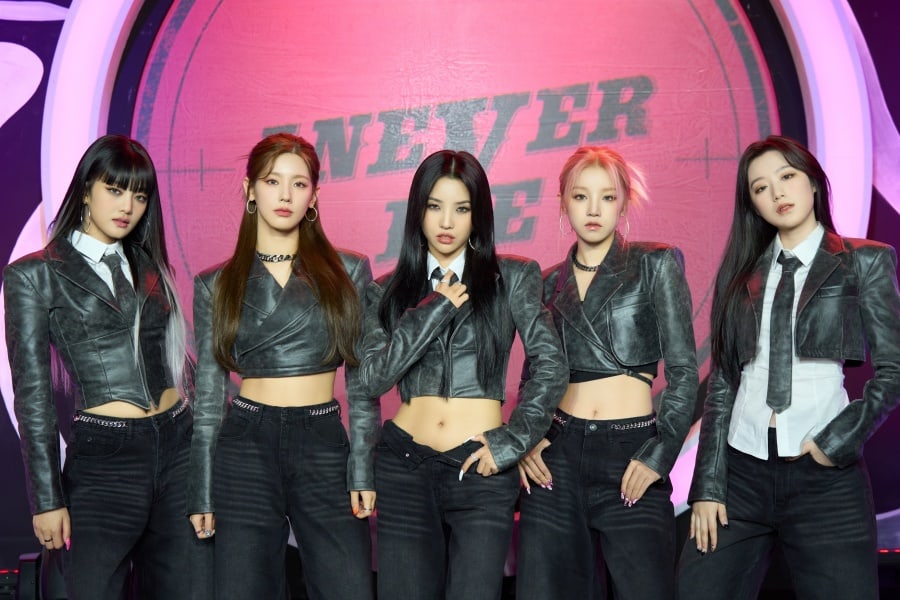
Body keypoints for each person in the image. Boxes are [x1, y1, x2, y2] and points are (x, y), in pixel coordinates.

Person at [677, 135, 900, 599]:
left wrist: (836, 441)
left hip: (825, 476)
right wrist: (708, 485)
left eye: (787, 176)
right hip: (741, 473)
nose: (777, 193)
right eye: (760, 188)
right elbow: (723, 383)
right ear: (753, 204)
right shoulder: (741, 274)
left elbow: (894, 369)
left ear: (813, 182)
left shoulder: (864, 261)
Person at [353, 149, 568, 599]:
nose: (447, 222)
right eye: (435, 206)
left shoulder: (513, 276)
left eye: (462, 208)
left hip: (480, 467)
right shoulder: (384, 291)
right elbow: (371, 379)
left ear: (479, 215)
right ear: (418, 211)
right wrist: (433, 309)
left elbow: (551, 365)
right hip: (404, 465)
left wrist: (511, 442)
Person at [3, 134, 208, 599]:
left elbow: (181, 364)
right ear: (86, 189)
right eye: (114, 190)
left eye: (139, 196)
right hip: (105, 460)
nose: (127, 207)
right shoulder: (34, 275)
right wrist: (47, 499)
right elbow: (33, 398)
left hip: (179, 448)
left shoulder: (150, 264)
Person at [188, 133, 374, 599]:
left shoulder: (349, 271)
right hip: (246, 444)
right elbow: (208, 400)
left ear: (314, 195)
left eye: (299, 183)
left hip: (323, 440)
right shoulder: (215, 283)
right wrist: (201, 488)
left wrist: (363, 466)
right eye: (272, 181)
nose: (285, 195)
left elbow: (363, 383)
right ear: (250, 189)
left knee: (349, 588)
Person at [514, 146, 699, 599]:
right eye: (581, 196)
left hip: (631, 450)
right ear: (562, 202)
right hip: (556, 454)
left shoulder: (655, 264)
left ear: (624, 202)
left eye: (607, 197)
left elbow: (683, 372)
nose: (593, 210)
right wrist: (526, 439)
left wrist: (659, 453)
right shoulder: (547, 283)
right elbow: (533, 377)